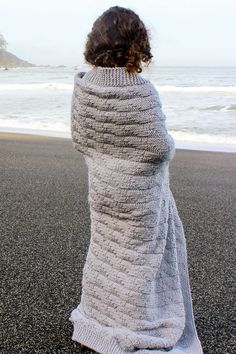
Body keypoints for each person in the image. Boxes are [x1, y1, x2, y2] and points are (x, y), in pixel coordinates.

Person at [69, 5, 203, 354]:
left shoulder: (82, 87)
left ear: (96, 43)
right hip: (138, 195)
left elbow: (80, 137)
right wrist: (170, 146)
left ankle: (99, 314)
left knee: (107, 252)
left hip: (102, 188)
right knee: (139, 260)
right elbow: (158, 147)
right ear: (137, 44)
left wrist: (107, 158)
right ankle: (136, 321)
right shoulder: (140, 91)